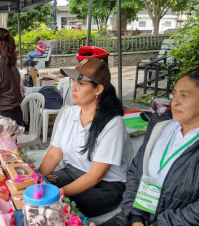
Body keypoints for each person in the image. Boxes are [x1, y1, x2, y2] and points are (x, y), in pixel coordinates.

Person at [99, 68, 199, 226]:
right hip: (145, 213)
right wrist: (136, 217)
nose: (175, 102)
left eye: (184, 96)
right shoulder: (163, 127)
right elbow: (135, 172)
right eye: (174, 94)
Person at [39, 58, 132, 217]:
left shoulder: (112, 124)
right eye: (73, 82)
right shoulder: (69, 113)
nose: (73, 88)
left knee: (55, 207)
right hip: (72, 174)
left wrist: (60, 193)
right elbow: (54, 154)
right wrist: (38, 181)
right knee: (38, 191)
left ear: (98, 89)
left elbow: (96, 175)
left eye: (80, 84)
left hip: (103, 187)